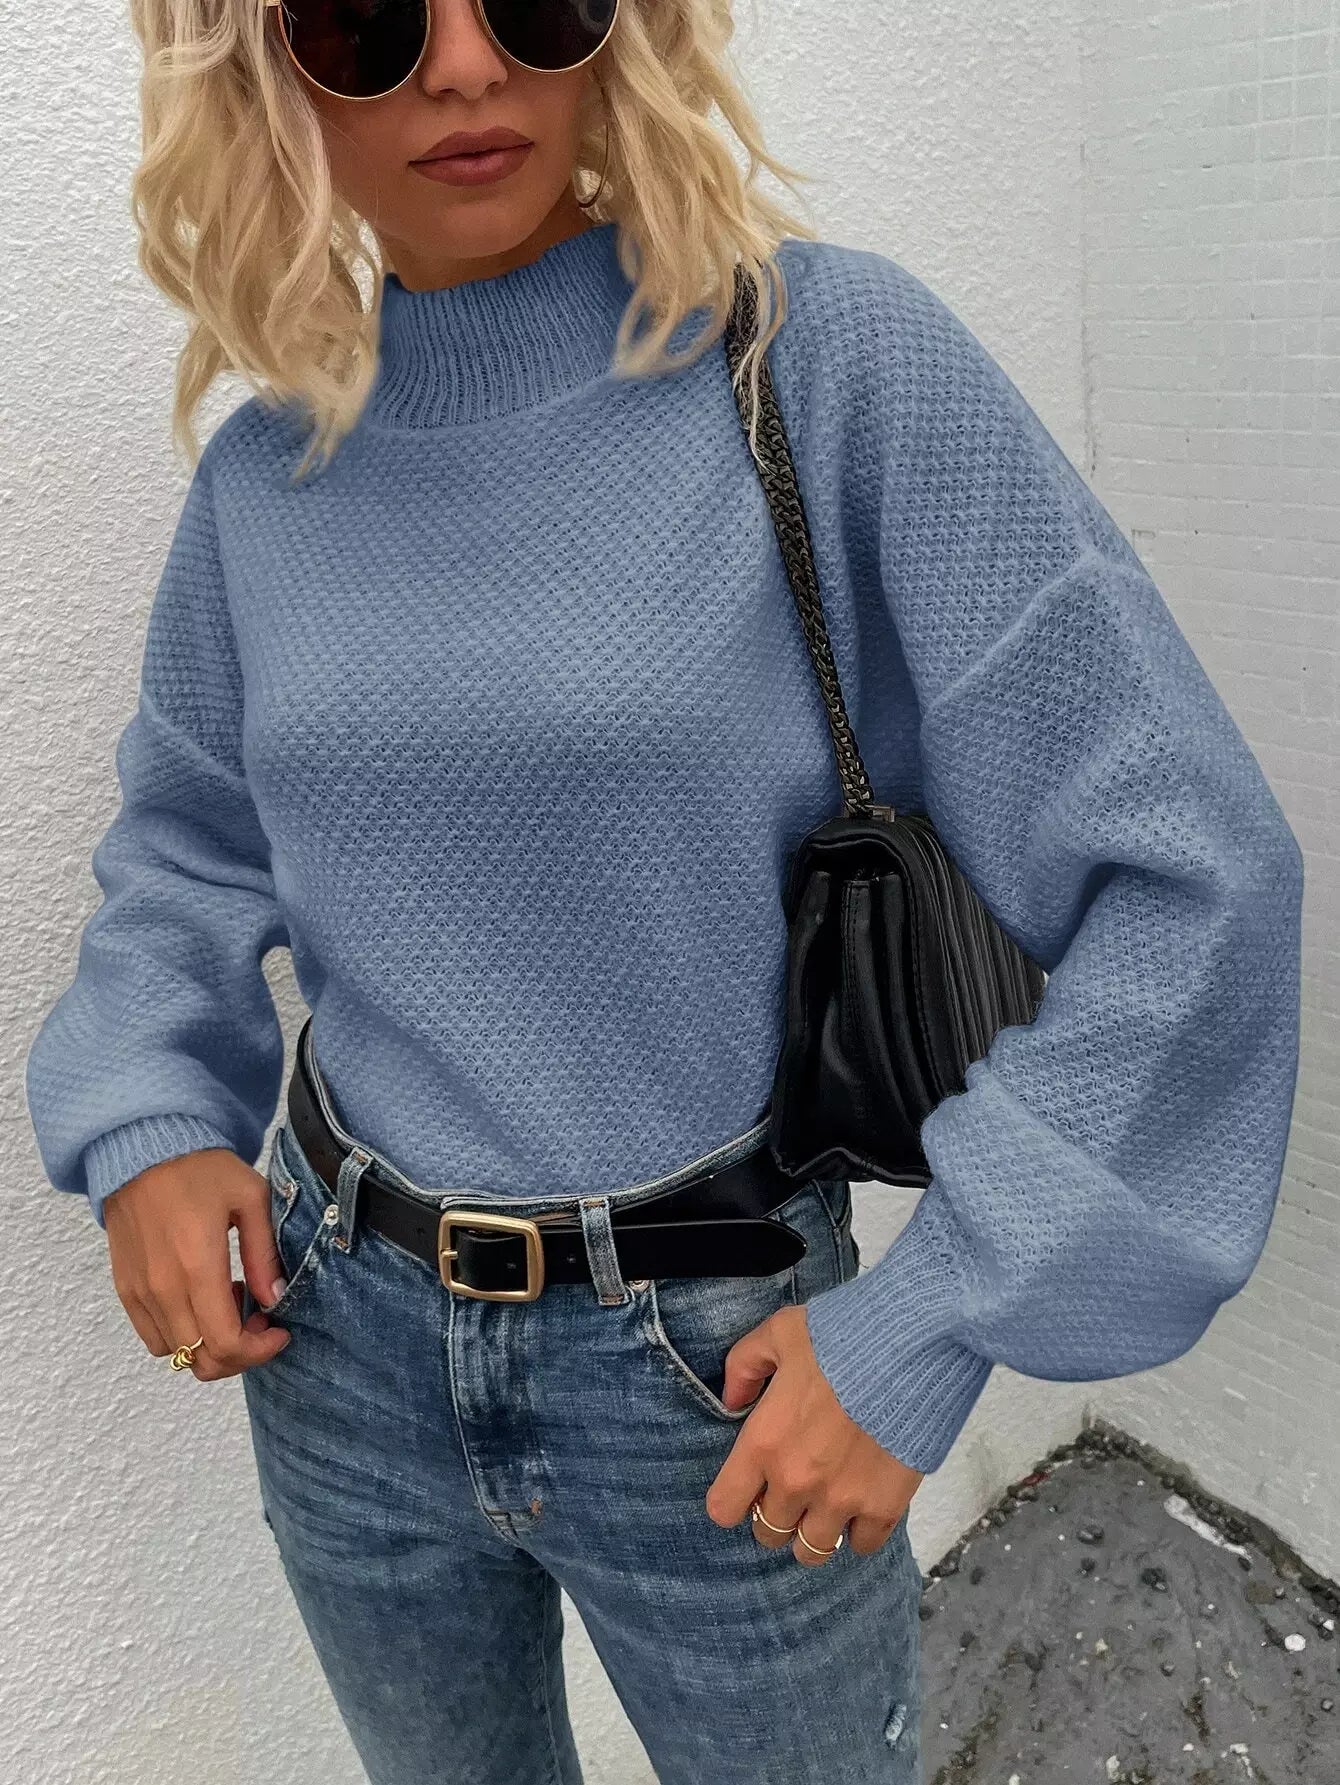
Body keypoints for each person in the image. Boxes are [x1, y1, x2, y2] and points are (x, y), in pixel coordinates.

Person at [24, 1, 1303, 1781]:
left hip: (720, 1364)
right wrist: (148, 1113)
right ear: (263, 72)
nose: (464, 67)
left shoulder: (823, 363)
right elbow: (186, 846)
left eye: (533, 1)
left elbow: (1194, 878)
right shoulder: (269, 475)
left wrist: (933, 1315)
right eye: (364, 21)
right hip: (337, 1342)